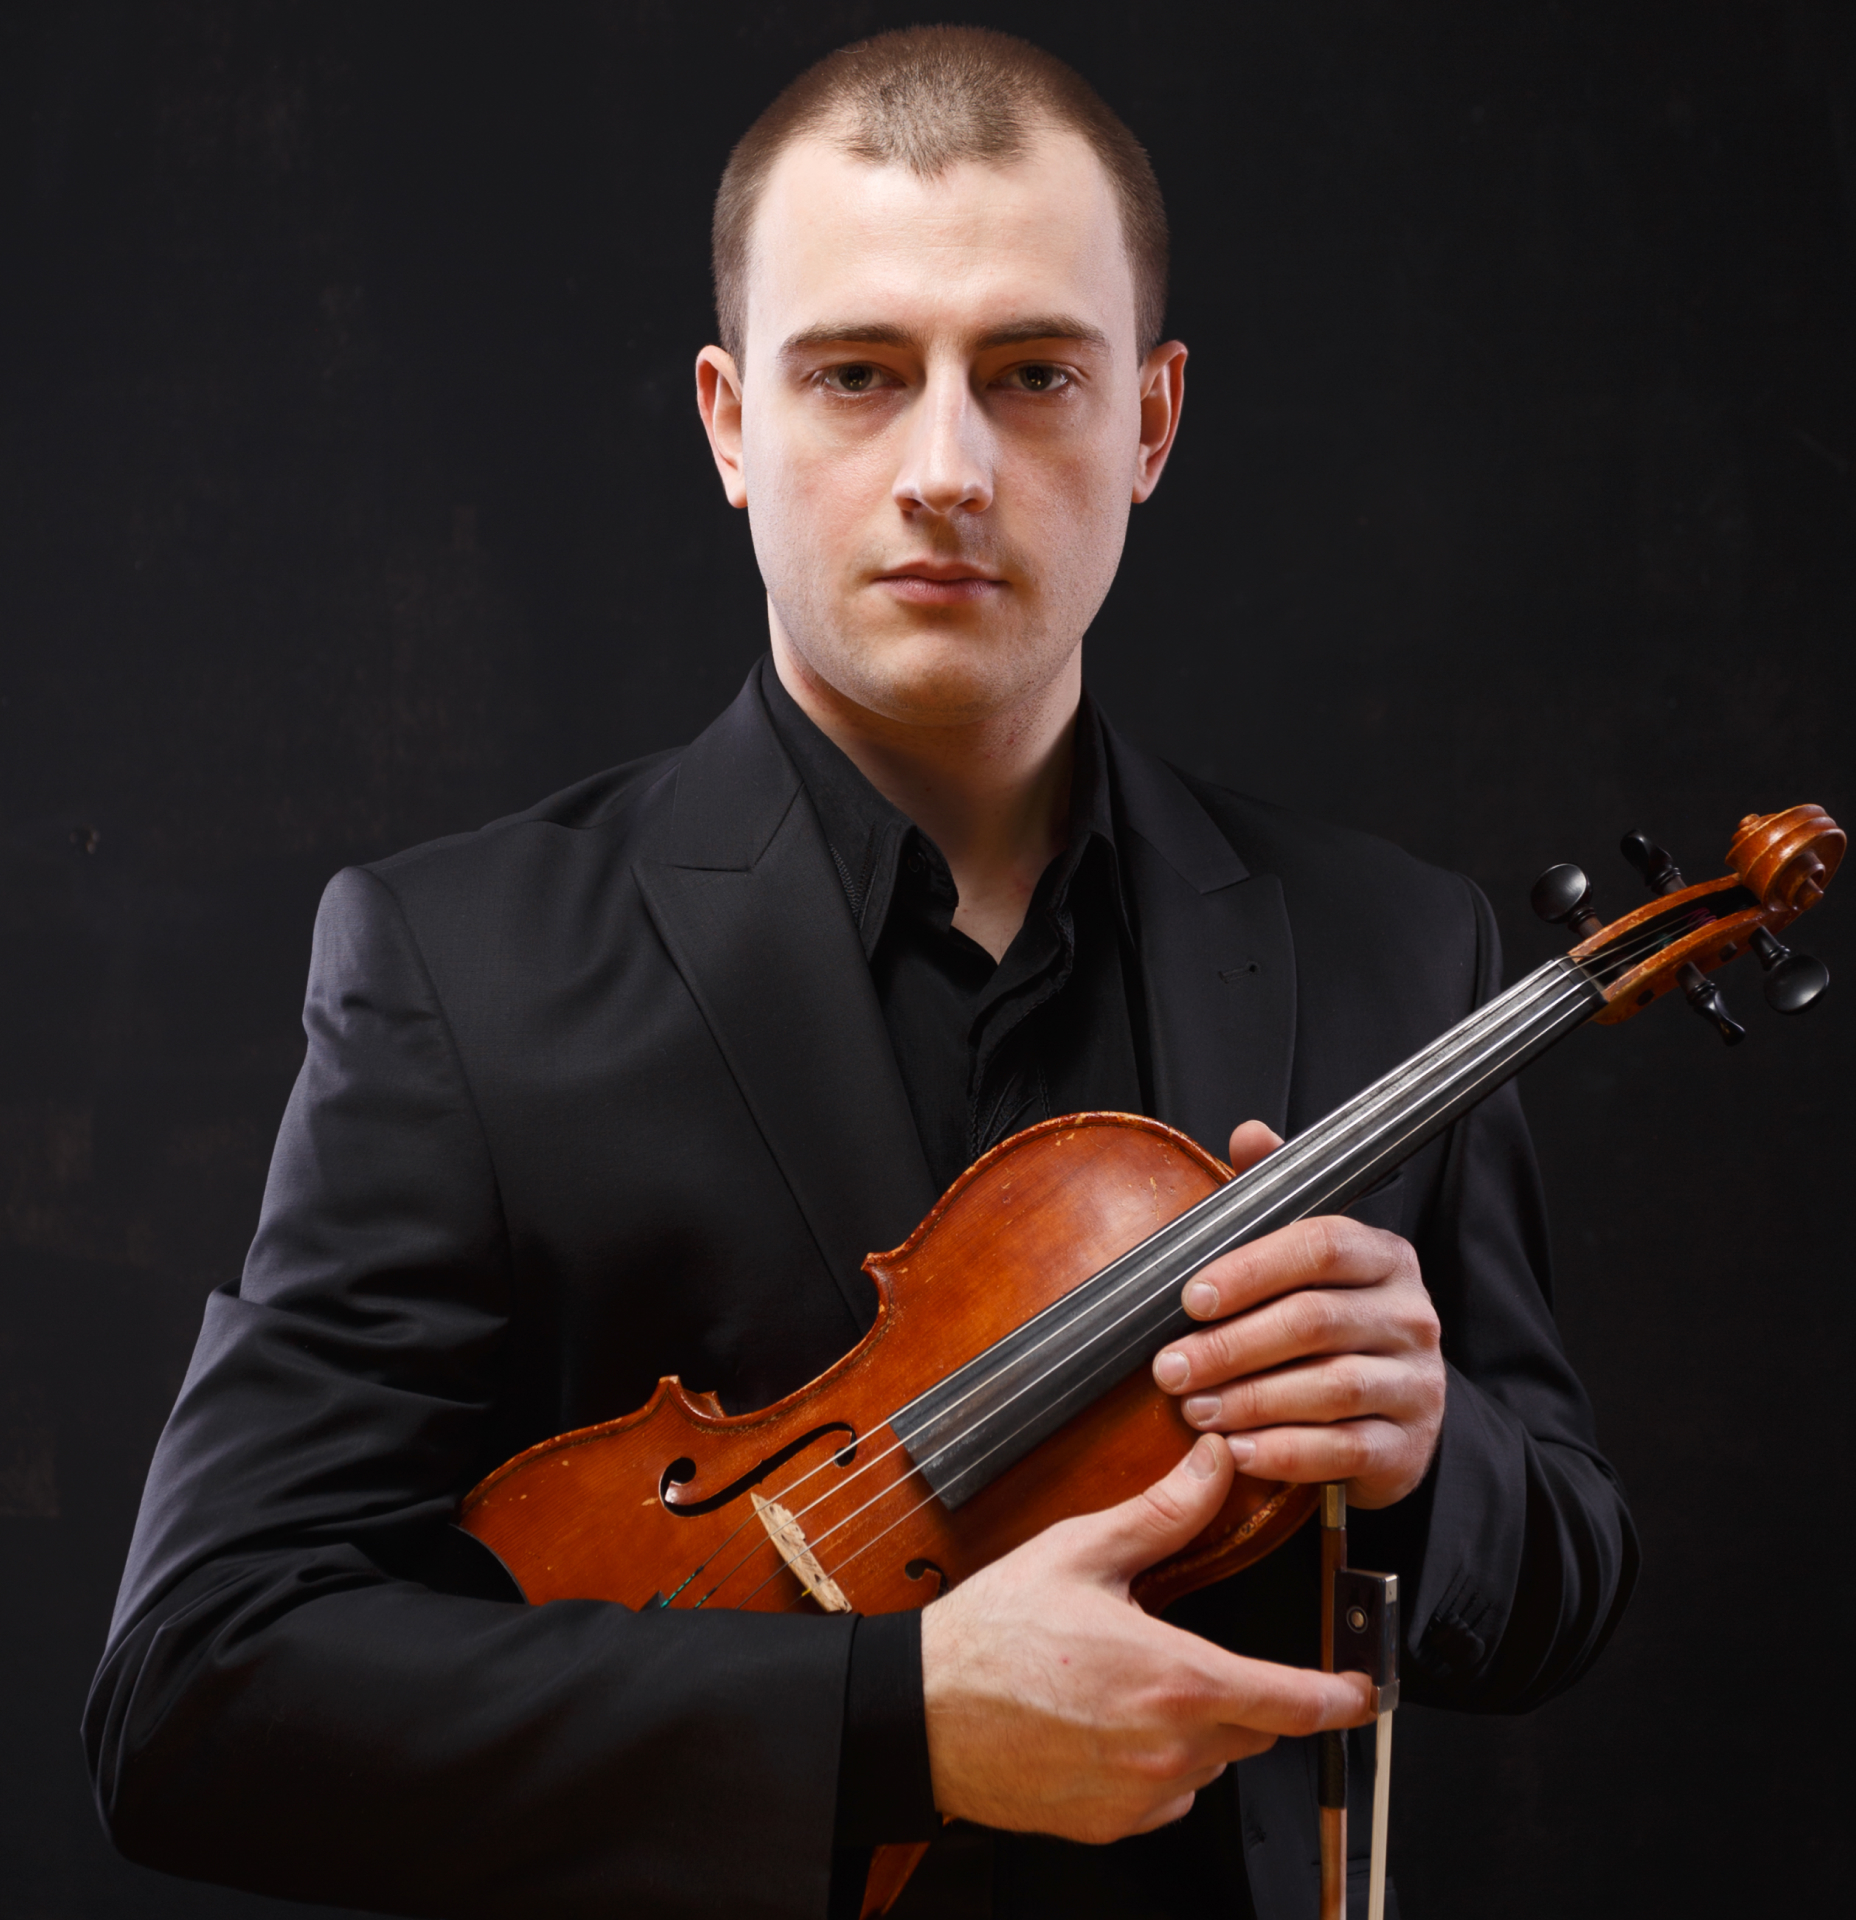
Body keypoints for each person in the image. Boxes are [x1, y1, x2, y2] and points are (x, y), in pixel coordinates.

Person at [85, 27, 1636, 1920]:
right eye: (858, 375)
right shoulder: (458, 967)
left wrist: (1428, 1454)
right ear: (734, 423)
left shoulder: (1399, 946)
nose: (948, 472)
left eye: (1034, 374)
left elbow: (1561, 1581)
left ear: (1151, 423)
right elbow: (198, 1693)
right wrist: (895, 1723)